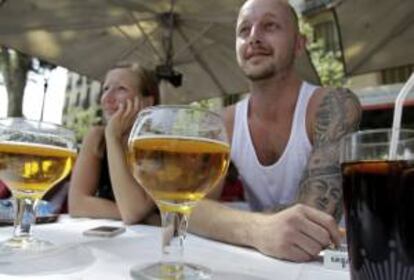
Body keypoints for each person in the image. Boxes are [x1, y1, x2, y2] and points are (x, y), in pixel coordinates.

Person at [188, 0, 361, 262]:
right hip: (261, 260)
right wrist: (257, 230)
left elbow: (315, 215)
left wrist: (227, 221)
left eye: (270, 26)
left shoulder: (333, 104)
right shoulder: (222, 123)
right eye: (244, 30)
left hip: (333, 263)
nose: (254, 37)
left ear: (299, 44)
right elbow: (190, 207)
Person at [68, 63, 159, 224]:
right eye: (105, 88)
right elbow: (77, 204)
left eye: (121, 89)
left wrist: (113, 137)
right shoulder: (97, 137)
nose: (107, 98)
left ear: (147, 102)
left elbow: (133, 211)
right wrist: (144, 217)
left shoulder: (159, 145)